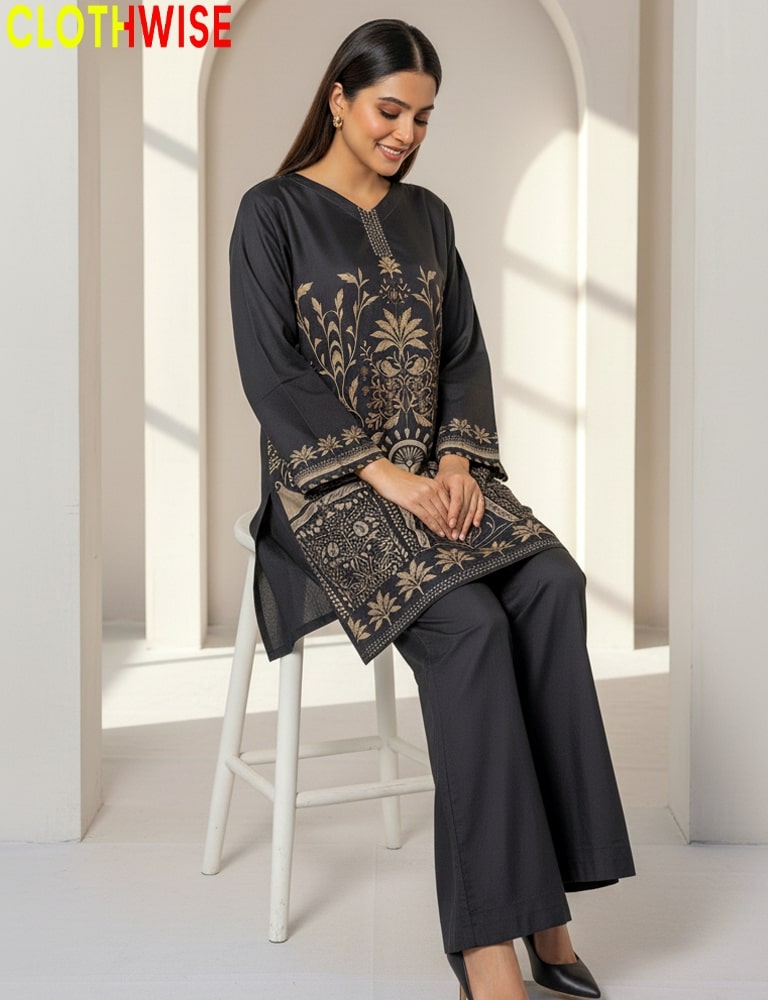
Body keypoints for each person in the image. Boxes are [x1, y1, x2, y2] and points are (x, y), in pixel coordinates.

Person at [229, 18, 635, 1000]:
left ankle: (543, 898)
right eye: (389, 110)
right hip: (328, 493)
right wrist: (389, 476)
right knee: (470, 624)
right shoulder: (271, 213)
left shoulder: (430, 216)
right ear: (338, 99)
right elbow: (274, 375)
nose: (406, 132)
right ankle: (492, 942)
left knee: (550, 583)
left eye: (422, 116)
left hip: (441, 478)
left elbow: (463, 354)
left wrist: (455, 457)